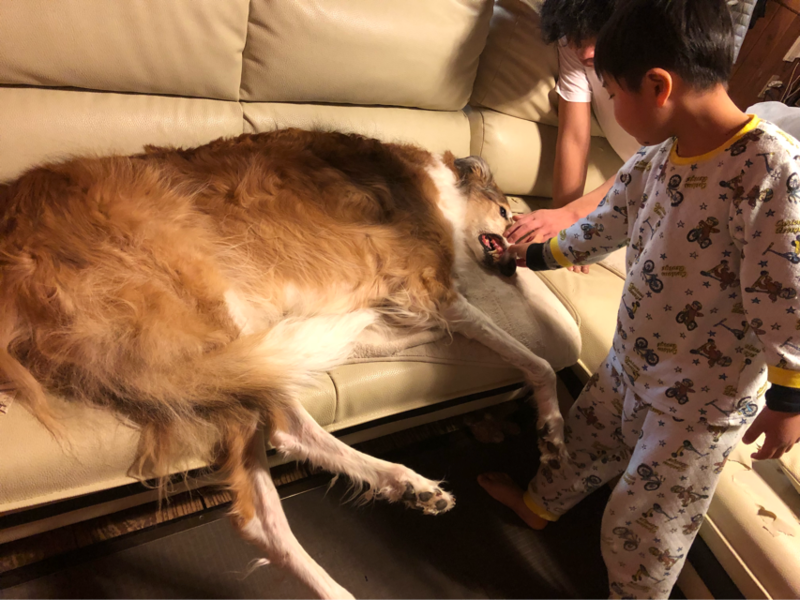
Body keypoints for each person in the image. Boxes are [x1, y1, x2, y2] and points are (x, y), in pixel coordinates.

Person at [479, 1, 800, 599]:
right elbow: (601, 226)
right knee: (580, 443)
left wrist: (789, 398)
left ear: (657, 86)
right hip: (631, 359)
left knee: (645, 523)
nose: (613, 108)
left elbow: (785, 291)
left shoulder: (774, 173)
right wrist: (531, 256)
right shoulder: (655, 157)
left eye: (612, 93)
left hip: (700, 405)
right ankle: (536, 508)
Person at [505, 0, 640, 270]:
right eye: (577, 36)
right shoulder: (572, 43)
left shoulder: (659, 45)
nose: (586, 52)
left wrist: (574, 216)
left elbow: (663, 152)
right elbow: (574, 137)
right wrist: (566, 226)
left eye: (599, 34)